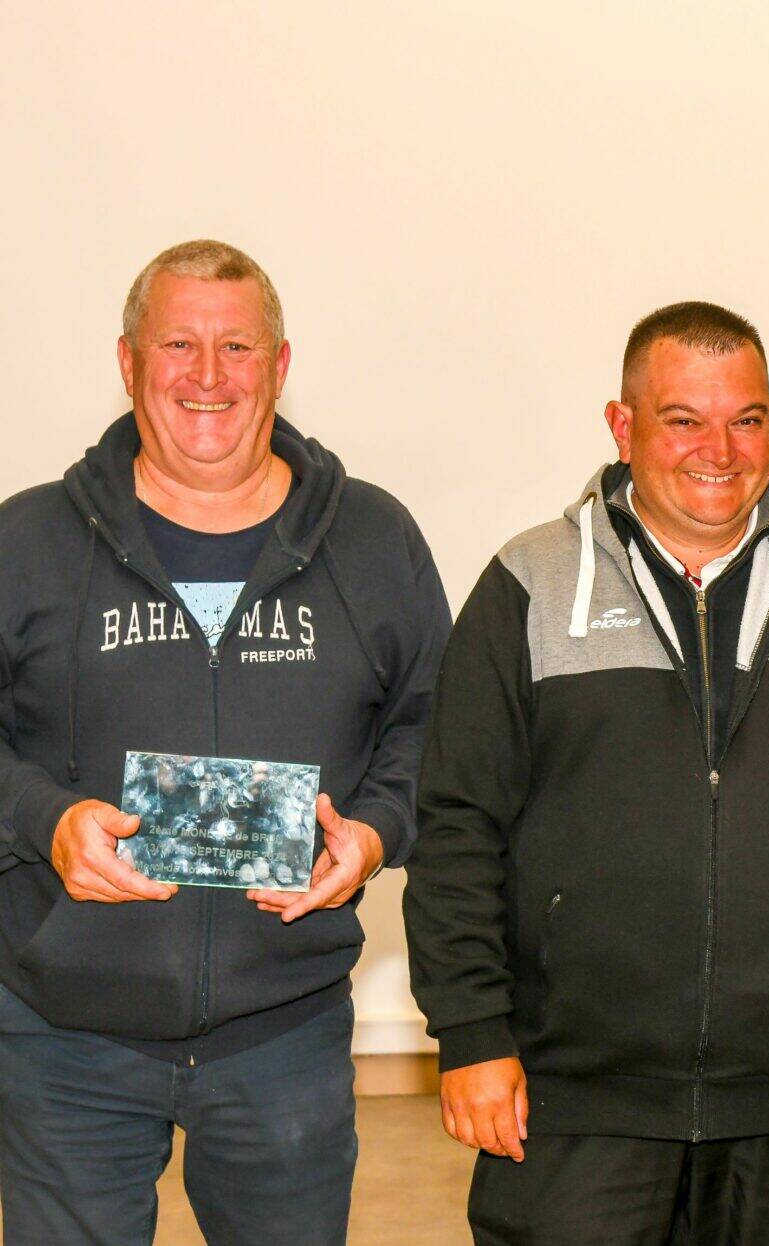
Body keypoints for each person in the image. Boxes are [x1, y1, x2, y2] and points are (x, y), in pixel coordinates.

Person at [405, 301, 769, 1244]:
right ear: (622, 427)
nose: (722, 450)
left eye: (747, 418)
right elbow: (455, 828)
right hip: (575, 1090)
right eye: (683, 420)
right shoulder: (528, 585)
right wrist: (472, 1034)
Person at [0, 239, 451, 1244]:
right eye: (179, 345)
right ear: (128, 363)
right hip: (65, 1040)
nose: (209, 376)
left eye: (238, 347)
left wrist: (374, 833)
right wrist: (48, 819)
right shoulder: (27, 543)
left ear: (280, 367)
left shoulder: (374, 540)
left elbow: (435, 728)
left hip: (282, 1036)